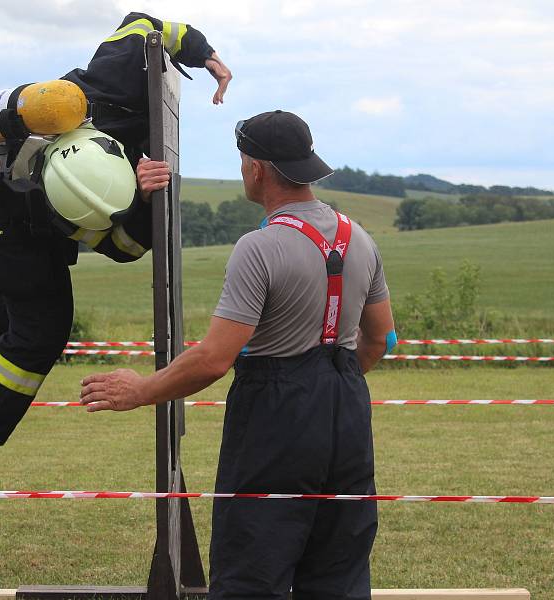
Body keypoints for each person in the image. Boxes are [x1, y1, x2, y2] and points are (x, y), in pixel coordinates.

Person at [80, 110, 396, 599]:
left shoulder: (260, 247)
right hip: (348, 407)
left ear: (257, 169)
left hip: (276, 413)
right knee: (339, 569)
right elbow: (380, 340)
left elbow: (213, 359)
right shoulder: (361, 239)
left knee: (253, 567)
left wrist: (141, 390)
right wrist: (332, 385)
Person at [0, 12, 232, 517]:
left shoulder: (115, 83)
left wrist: (205, 53)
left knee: (15, 292)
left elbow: (143, 22)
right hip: (6, 202)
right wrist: (138, 204)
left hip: (49, 194)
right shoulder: (60, 201)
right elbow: (118, 246)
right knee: (41, 324)